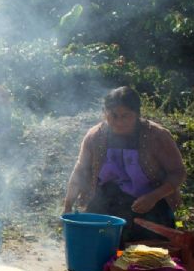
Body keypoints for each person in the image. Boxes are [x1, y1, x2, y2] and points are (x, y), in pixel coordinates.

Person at [64, 86, 186, 243]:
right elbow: (80, 171)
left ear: (137, 114)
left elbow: (178, 173)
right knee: (99, 250)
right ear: (105, 113)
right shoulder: (95, 136)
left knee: (146, 257)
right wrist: (68, 206)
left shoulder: (157, 136)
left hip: (149, 207)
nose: (119, 122)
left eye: (126, 116)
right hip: (106, 204)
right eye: (113, 116)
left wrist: (153, 197)